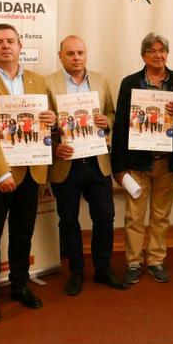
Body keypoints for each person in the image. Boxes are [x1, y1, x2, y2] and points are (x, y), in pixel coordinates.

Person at [0, 23, 57, 323]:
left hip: (32, 170)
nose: (5, 46)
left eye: (10, 41)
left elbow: (49, 121)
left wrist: (51, 119)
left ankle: (20, 285)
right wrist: (2, 172)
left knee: (22, 234)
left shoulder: (38, 81)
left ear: (20, 46)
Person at [46, 35, 128, 295]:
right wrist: (52, 145)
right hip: (65, 162)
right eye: (70, 53)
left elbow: (112, 113)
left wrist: (108, 122)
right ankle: (77, 273)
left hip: (97, 162)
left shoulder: (101, 80)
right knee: (68, 220)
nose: (76, 57)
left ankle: (103, 269)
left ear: (86, 54)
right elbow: (41, 124)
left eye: (81, 52)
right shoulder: (47, 83)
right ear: (60, 56)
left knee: (105, 216)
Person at [111, 33, 173, 285]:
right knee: (134, 216)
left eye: (162, 50)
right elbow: (120, 124)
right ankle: (133, 261)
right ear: (143, 55)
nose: (158, 55)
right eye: (152, 50)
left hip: (166, 161)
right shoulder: (130, 82)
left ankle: (155, 260)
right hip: (137, 162)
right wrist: (118, 167)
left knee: (161, 215)